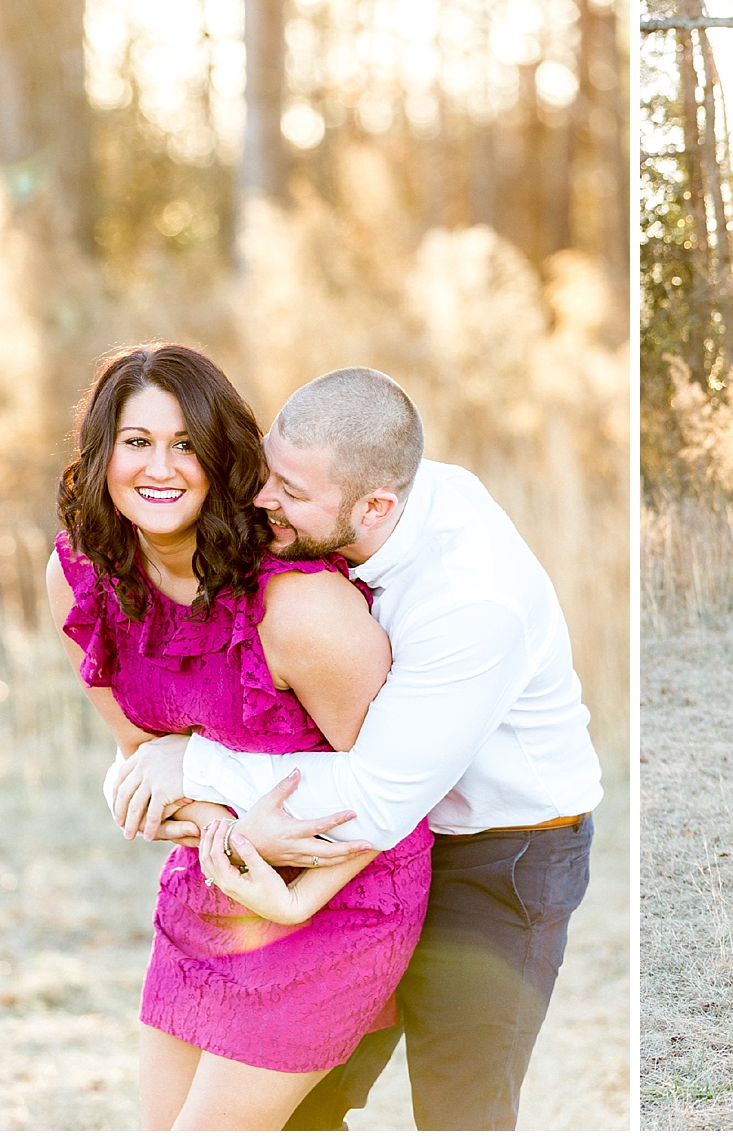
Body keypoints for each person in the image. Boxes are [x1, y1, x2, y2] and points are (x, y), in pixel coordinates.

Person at [105, 366, 604, 1131]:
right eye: (269, 472)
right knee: (303, 1108)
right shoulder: (356, 489)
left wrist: (192, 766)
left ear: (378, 507)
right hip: (367, 853)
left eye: (290, 494)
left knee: (459, 1111)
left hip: (500, 855)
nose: (262, 500)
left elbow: (375, 797)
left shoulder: (473, 602)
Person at [43, 344, 434, 1130]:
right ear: (101, 455)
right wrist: (219, 828)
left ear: (223, 457)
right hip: (209, 888)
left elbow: (401, 790)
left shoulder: (299, 609)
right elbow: (144, 769)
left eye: (186, 443)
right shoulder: (79, 580)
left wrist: (284, 881)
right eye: (137, 441)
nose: (162, 467)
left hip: (342, 899)